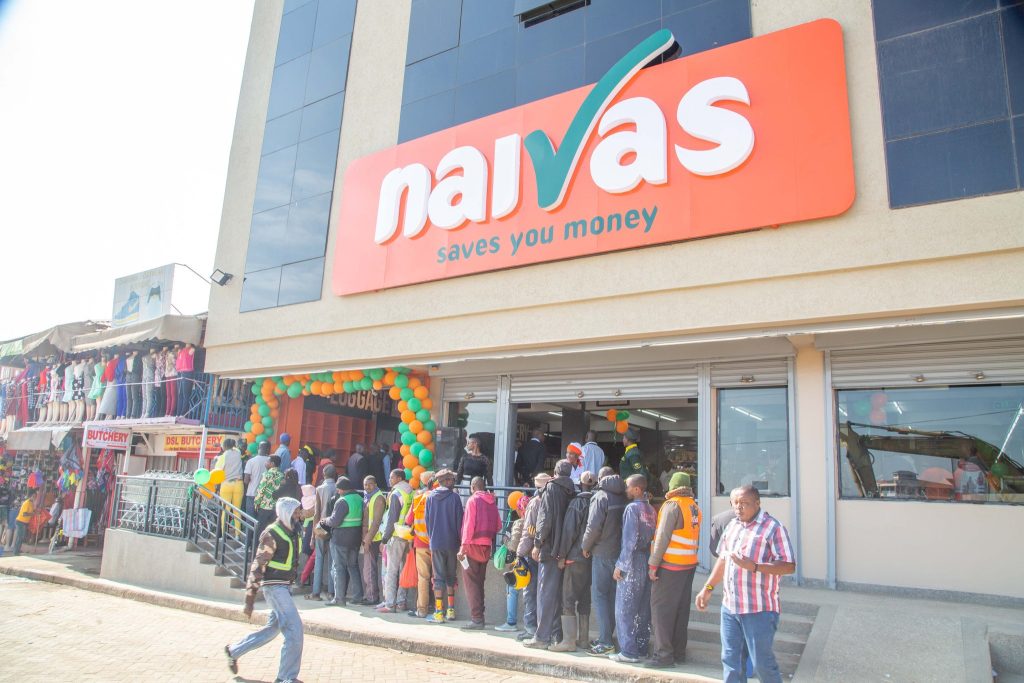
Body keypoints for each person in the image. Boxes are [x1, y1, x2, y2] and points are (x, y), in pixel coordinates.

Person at [696, 485, 796, 683]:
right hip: (730, 608)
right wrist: (707, 588)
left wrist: (755, 567)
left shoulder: (773, 528)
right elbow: (723, 560)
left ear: (757, 503)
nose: (738, 507)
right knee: (731, 662)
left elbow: (788, 566)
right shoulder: (732, 526)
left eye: (744, 503)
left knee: (762, 664)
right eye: (735, 503)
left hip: (759, 610)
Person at [225, 497, 305, 683]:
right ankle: (286, 677)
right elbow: (258, 565)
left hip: (285, 586)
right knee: (295, 630)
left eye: (299, 511)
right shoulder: (272, 533)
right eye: (295, 512)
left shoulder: (293, 531)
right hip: (274, 587)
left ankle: (233, 651)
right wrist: (250, 598)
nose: (299, 515)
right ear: (285, 513)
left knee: (271, 630)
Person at [647, 472, 702, 668]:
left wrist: (653, 564)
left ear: (672, 486)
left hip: (670, 565)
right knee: (680, 610)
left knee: (661, 611)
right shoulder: (694, 507)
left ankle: (663, 655)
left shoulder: (672, 505)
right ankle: (679, 653)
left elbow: (662, 537)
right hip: (688, 565)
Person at [525, 459, 576, 649]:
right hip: (565, 550)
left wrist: (537, 543)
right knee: (558, 595)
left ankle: (541, 637)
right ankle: (556, 635)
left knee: (545, 594)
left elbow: (544, 519)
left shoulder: (551, 489)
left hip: (549, 549)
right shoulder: (572, 491)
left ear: (555, 472)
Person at [610, 474, 656, 664]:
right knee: (643, 609)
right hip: (647, 558)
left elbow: (629, 541)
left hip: (633, 560)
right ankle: (642, 649)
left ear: (637, 489)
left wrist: (620, 565)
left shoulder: (632, 509)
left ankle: (629, 652)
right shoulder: (651, 510)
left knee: (624, 608)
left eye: (628, 486)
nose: (626, 489)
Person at [581, 466, 626, 656]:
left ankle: (606, 641)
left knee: (600, 596)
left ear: (600, 479)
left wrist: (585, 546)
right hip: (619, 554)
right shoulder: (624, 496)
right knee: (614, 597)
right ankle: (609, 637)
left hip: (601, 552)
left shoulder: (600, 497)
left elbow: (593, 526)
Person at [550, 470, 596, 652]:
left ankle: (568, 641)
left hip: (574, 559)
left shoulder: (577, 503)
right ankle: (583, 640)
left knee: (568, 600)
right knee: (585, 599)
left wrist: (562, 556)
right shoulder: (598, 502)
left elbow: (569, 532)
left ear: (579, 484)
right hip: (591, 559)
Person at [458, 476, 500, 629]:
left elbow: (468, 525)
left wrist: (463, 547)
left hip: (472, 546)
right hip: (486, 547)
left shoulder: (472, 500)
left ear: (473, 487)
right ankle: (480, 616)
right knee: (480, 582)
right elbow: (498, 526)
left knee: (471, 583)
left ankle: (476, 619)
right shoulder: (492, 501)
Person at [424, 469, 464, 623]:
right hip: (452, 543)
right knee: (451, 576)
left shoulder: (430, 498)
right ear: (445, 481)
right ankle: (451, 611)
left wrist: (432, 539)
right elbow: (460, 522)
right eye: (451, 479)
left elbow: (427, 522)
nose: (453, 482)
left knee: (438, 577)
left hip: (436, 543)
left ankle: (439, 612)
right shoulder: (455, 498)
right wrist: (460, 542)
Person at [319, 476, 364, 606]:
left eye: (338, 489)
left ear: (343, 489)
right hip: (355, 538)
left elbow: (335, 521)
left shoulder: (342, 501)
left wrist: (325, 520)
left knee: (338, 568)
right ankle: (358, 596)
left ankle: (339, 598)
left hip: (340, 539)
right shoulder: (359, 499)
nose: (337, 491)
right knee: (353, 566)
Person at [516, 473, 549, 640]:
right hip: (549, 553)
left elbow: (528, 532)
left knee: (529, 592)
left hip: (532, 553)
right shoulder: (555, 501)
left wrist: (519, 553)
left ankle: (530, 628)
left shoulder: (535, 503)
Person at [377, 468, 414, 613]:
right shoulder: (411, 491)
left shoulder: (396, 493)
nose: (389, 480)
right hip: (408, 535)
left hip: (396, 534)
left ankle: (390, 604)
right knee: (403, 570)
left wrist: (384, 539)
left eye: (392, 477)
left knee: (391, 571)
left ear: (399, 478)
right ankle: (401, 602)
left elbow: (392, 518)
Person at [496, 493, 530, 632]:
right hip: (534, 562)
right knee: (531, 594)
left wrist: (506, 541)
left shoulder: (519, 523)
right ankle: (531, 625)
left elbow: (513, 546)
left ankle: (511, 623)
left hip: (520, 563)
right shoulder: (535, 520)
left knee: (512, 589)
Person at [405, 470, 436, 617]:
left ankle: (422, 610)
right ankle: (439, 609)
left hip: (421, 544)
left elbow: (408, 520)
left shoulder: (418, 497)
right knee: (438, 577)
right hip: (437, 543)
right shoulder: (439, 497)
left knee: (423, 577)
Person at [307, 464, 337, 601]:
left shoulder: (319, 489)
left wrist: (313, 535)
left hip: (321, 527)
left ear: (324, 474)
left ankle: (316, 592)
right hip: (334, 527)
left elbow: (316, 513)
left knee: (319, 558)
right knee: (332, 560)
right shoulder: (338, 488)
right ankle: (331, 592)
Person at [360, 475, 386, 606]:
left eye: (370, 484)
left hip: (374, 539)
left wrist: (367, 539)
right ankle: (370, 595)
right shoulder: (368, 497)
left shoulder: (378, 498)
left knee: (369, 570)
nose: (367, 487)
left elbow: (376, 522)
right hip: (369, 537)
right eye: (365, 484)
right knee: (368, 569)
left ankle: (372, 597)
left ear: (375, 485)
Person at [254, 456, 284, 532]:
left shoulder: (267, 474)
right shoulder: (282, 475)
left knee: (260, 530)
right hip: (275, 507)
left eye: (267, 462)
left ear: (272, 464)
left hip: (265, 506)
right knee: (271, 530)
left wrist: (257, 503)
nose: (265, 463)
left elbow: (261, 490)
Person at [243, 441, 271, 517]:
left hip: (252, 494)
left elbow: (246, 481)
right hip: (265, 496)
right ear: (269, 449)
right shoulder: (271, 462)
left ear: (258, 448)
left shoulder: (251, 461)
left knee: (250, 520)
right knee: (261, 521)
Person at [12, 488, 36, 555]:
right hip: (20, 521)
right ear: (31, 496)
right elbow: (24, 514)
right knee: (20, 537)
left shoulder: (31, 503)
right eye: (34, 496)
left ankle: (17, 550)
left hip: (24, 522)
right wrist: (32, 514)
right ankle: (15, 552)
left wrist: (34, 512)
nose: (35, 497)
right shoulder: (27, 503)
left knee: (21, 537)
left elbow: (31, 511)